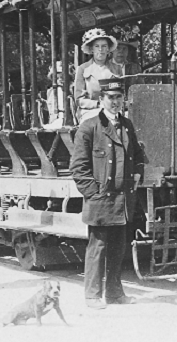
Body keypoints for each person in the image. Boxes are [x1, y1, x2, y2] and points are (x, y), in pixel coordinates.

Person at [70, 78, 145, 310]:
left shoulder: (127, 125)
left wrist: (137, 175)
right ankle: (92, 295)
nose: (115, 102)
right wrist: (94, 193)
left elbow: (137, 156)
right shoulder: (90, 126)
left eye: (118, 97)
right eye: (110, 98)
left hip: (122, 199)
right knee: (98, 247)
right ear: (101, 100)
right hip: (101, 198)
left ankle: (114, 293)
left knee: (118, 247)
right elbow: (78, 167)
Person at [74, 28, 121, 123]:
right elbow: (79, 100)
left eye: (104, 46)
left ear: (108, 49)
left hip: (113, 109)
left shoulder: (116, 69)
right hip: (90, 111)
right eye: (97, 46)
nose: (100, 50)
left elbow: (121, 93)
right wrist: (99, 104)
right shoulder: (83, 69)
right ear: (91, 49)